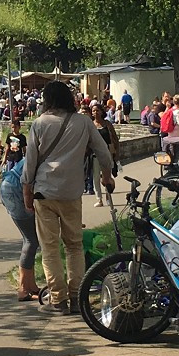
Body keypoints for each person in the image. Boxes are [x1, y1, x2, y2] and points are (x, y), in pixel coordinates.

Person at [22, 81, 114, 314]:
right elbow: (104, 152)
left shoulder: (39, 124)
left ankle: (58, 300)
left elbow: (30, 162)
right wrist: (106, 177)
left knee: (50, 248)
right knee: (74, 246)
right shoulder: (83, 122)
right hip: (72, 192)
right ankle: (77, 297)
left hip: (44, 192)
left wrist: (26, 192)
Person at [0, 158, 41, 301]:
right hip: (14, 190)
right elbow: (27, 180)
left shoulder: (41, 149)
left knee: (31, 240)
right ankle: (23, 288)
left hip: (10, 187)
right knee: (30, 240)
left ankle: (32, 286)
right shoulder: (45, 153)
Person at [89, 105, 119, 208]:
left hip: (107, 154)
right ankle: (99, 199)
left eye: (97, 110)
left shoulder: (107, 124)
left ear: (102, 112)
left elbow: (115, 139)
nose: (95, 112)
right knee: (96, 177)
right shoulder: (91, 125)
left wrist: (116, 153)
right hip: (95, 155)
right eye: (93, 111)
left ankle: (108, 197)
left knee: (107, 178)